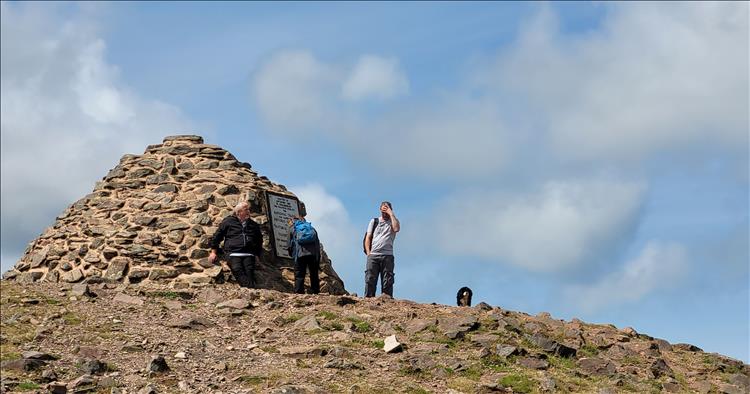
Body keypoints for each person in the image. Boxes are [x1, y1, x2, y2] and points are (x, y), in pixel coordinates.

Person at [208, 201, 263, 288]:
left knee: (249, 272)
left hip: (249, 254)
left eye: (249, 209)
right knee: (237, 269)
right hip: (233, 253)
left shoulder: (253, 225)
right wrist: (213, 252)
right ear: (239, 212)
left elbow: (259, 241)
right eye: (246, 209)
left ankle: (250, 290)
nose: (249, 211)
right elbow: (217, 236)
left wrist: (257, 255)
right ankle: (251, 289)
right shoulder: (228, 221)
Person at [364, 201, 400, 297]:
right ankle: (368, 299)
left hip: (387, 255)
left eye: (387, 208)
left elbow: (396, 229)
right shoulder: (374, 221)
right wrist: (368, 253)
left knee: (387, 281)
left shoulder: (393, 221)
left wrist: (391, 214)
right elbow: (368, 237)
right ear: (380, 209)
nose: (385, 210)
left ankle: (387, 301)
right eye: (383, 208)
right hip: (373, 255)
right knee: (370, 280)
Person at [287, 213, 321, 294]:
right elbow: (317, 243)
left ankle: (299, 291)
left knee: (299, 274)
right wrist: (317, 256)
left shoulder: (293, 228)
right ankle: (315, 291)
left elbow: (289, 244)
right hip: (312, 255)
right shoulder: (311, 228)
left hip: (300, 254)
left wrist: (292, 254)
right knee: (314, 273)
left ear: (293, 220)